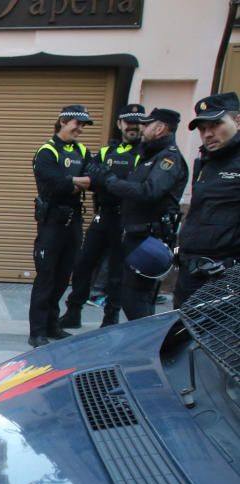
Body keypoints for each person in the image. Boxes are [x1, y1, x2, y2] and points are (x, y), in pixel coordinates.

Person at [88, 108, 188, 320]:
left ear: (160, 128)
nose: (141, 128)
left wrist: (110, 181)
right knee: (130, 296)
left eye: (146, 124)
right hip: (135, 235)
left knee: (136, 299)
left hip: (148, 240)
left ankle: (147, 347)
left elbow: (149, 191)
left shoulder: (168, 159)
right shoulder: (150, 155)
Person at [60, 104, 145, 329]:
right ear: (120, 124)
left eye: (137, 122)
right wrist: (112, 182)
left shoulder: (144, 154)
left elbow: (135, 186)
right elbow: (92, 177)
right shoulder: (108, 151)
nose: (133, 126)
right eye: (128, 121)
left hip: (125, 219)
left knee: (117, 272)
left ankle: (110, 318)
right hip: (103, 216)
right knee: (83, 265)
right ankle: (73, 312)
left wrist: (108, 181)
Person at [28, 105, 93, 348]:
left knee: (64, 275)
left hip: (73, 221)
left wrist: (74, 182)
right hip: (52, 222)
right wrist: (75, 182)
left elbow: (94, 176)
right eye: (78, 123)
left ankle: (52, 326)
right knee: (46, 276)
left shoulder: (82, 151)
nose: (81, 129)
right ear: (64, 121)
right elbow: (52, 183)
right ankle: (37, 332)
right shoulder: (47, 151)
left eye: (84, 125)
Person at [173, 92, 240, 306]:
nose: (207, 134)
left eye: (215, 125)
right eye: (202, 128)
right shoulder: (206, 161)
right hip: (191, 273)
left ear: (237, 120)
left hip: (223, 279)